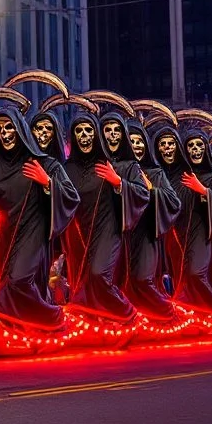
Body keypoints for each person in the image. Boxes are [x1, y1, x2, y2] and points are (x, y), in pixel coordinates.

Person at [0, 107, 80, 327]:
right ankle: (24, 323)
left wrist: (47, 182)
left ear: (20, 129)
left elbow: (71, 196)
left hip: (34, 230)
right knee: (9, 279)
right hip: (4, 235)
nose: (5, 133)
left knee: (19, 278)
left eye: (9, 127)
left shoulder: (45, 163)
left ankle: (51, 316)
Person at [67, 113, 148, 322]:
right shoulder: (71, 168)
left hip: (108, 228)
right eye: (78, 131)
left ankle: (129, 315)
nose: (84, 136)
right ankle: (95, 321)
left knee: (98, 274)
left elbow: (142, 194)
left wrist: (118, 182)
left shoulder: (126, 166)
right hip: (79, 233)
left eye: (88, 130)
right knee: (82, 282)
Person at [167, 130, 212, 315]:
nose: (195, 149)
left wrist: (204, 191)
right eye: (191, 146)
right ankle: (194, 313)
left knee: (196, 273)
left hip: (203, 231)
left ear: (205, 148)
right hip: (179, 234)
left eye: (199, 145)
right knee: (181, 277)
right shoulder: (177, 176)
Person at [123, 123, 181, 320]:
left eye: (140, 142)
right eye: (132, 142)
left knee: (143, 278)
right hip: (123, 235)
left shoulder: (155, 173)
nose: (137, 146)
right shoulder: (119, 169)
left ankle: (170, 315)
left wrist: (152, 191)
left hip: (148, 233)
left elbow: (174, 202)